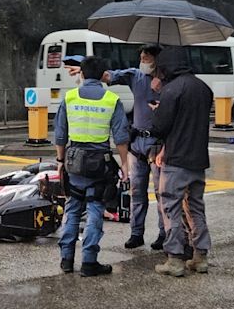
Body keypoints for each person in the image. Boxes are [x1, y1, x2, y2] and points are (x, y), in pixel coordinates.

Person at [67, 44, 166, 250]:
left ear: (157, 59)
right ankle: (136, 233)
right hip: (137, 143)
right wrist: (85, 71)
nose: (142, 61)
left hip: (158, 144)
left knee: (161, 193)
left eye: (146, 58)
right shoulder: (136, 76)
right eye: (141, 57)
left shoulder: (169, 81)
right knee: (137, 192)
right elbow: (108, 76)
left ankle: (163, 234)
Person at [55, 56, 129, 277]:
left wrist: (60, 162)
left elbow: (60, 134)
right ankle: (89, 261)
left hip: (73, 160)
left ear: (82, 74)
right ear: (103, 75)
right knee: (95, 208)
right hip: (99, 163)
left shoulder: (69, 98)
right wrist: (125, 165)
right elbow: (121, 137)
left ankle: (66, 259)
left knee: (73, 207)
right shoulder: (111, 99)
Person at [149, 46, 212, 277]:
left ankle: (175, 258)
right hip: (198, 160)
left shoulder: (171, 90)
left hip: (176, 160)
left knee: (171, 208)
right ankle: (200, 256)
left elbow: (160, 127)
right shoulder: (204, 88)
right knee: (196, 208)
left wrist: (157, 108)